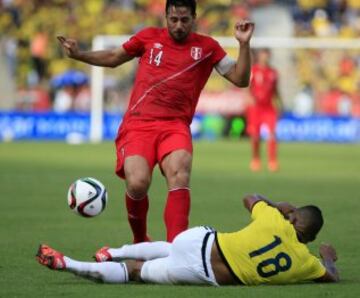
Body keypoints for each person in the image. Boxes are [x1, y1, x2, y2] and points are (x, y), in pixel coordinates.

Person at [57, 0, 255, 242]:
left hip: (175, 126)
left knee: (179, 174)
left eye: (184, 20)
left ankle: (177, 248)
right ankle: (140, 239)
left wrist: (244, 45)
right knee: (138, 182)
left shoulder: (208, 47)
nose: (179, 25)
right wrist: (79, 54)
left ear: (194, 18)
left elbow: (240, 79)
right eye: (174, 20)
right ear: (166, 17)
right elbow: (113, 57)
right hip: (139, 124)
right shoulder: (148, 37)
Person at [36, 194, 339, 286]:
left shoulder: (274, 219)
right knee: (135, 273)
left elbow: (250, 198)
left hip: (199, 242)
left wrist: (278, 206)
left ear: (294, 219)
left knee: (171, 247)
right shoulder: (307, 264)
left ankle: (113, 250)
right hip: (203, 275)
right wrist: (328, 257)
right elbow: (331, 277)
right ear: (311, 237)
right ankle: (69, 264)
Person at [246, 48, 282, 172]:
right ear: (259, 57)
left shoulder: (273, 72)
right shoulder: (253, 71)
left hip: (269, 108)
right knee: (255, 136)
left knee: (272, 134)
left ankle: (273, 161)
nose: (265, 58)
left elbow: (276, 90)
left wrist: (280, 103)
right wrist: (249, 98)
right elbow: (246, 87)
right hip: (256, 108)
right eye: (263, 55)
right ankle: (256, 159)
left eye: (267, 55)